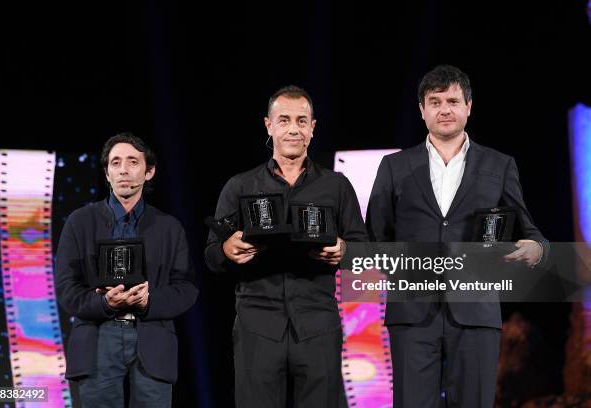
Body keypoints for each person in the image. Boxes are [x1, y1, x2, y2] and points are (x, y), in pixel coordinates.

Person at [366, 65, 549, 408]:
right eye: (434, 102)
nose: (444, 109)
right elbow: (375, 237)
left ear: (468, 106)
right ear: (422, 110)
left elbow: (532, 233)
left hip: (477, 312)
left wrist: (536, 249)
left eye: (452, 100)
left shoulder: (499, 165)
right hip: (412, 315)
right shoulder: (394, 166)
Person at [205, 85, 367, 407]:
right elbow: (211, 256)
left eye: (301, 121)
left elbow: (362, 250)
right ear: (268, 125)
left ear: (313, 127)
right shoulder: (240, 185)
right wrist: (226, 250)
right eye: (284, 120)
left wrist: (343, 250)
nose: (293, 129)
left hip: (318, 325)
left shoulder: (336, 186)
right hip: (257, 325)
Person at [55, 132, 198, 407]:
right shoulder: (80, 222)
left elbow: (186, 287)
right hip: (97, 338)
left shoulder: (169, 227)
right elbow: (66, 288)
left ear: (149, 171)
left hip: (152, 338)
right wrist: (104, 302)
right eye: (115, 162)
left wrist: (149, 300)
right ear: (106, 173)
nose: (123, 169)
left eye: (133, 162)